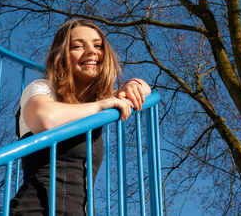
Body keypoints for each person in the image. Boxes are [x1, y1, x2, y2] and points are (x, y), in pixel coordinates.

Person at [10, 19, 151, 215]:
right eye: (77, 46)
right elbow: (45, 120)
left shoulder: (91, 107)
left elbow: (146, 90)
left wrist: (134, 83)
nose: (92, 51)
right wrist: (101, 105)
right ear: (61, 56)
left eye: (98, 45)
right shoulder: (42, 89)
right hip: (37, 209)